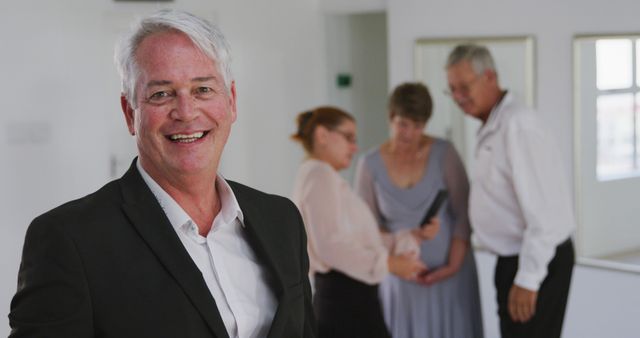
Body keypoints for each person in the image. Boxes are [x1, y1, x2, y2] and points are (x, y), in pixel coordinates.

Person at [9, 9, 315, 338]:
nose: (186, 112)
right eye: (161, 94)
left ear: (232, 102)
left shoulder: (281, 219)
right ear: (130, 113)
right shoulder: (70, 239)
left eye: (203, 90)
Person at [445, 44, 576, 338]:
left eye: (464, 87)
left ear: (490, 76)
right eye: (451, 89)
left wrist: (529, 278)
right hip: (513, 259)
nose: (457, 97)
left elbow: (545, 213)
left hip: (535, 260)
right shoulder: (495, 123)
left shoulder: (518, 126)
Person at [290, 106, 435, 338]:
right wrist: (390, 264)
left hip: (351, 300)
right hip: (345, 301)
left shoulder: (325, 177)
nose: (354, 147)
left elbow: (355, 240)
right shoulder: (319, 175)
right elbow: (331, 245)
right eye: (348, 138)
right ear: (322, 135)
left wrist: (413, 237)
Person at [355, 82, 484, 338]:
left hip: (452, 277)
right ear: (391, 118)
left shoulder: (444, 153)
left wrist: (452, 265)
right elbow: (365, 229)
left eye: (418, 126)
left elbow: (463, 214)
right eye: (403, 124)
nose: (410, 134)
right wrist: (400, 251)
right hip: (401, 280)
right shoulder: (369, 165)